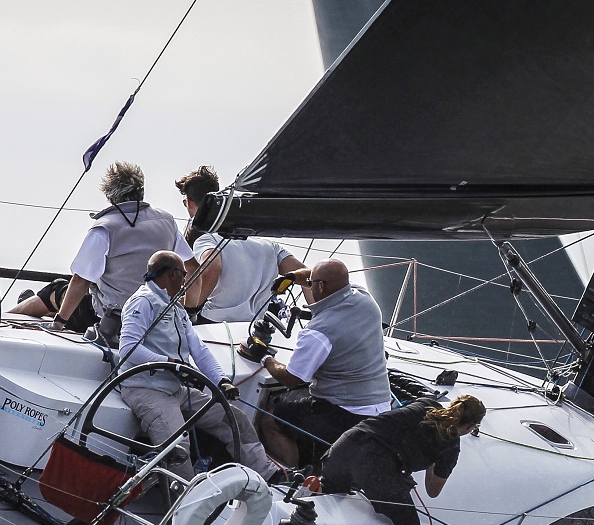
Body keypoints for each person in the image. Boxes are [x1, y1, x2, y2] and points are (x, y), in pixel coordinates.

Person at [116, 251, 280, 493]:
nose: (186, 281)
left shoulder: (177, 309)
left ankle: (270, 477)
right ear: (172, 274)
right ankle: (187, 504)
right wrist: (172, 364)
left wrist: (221, 381)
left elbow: (199, 350)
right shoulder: (143, 301)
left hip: (176, 389)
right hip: (145, 389)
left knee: (234, 418)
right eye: (184, 275)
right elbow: (129, 348)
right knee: (178, 447)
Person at [13, 162, 195, 345]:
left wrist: (59, 324)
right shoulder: (166, 221)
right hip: (156, 318)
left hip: (113, 320)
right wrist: (188, 315)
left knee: (56, 290)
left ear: (110, 195)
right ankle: (28, 303)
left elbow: (80, 281)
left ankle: (4, 314)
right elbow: (193, 267)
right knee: (69, 297)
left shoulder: (105, 228)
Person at [319, 395, 486, 525]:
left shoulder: (425, 403)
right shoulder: (450, 446)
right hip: (375, 463)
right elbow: (432, 491)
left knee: (332, 487)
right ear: (470, 427)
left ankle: (317, 487)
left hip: (348, 442)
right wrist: (434, 459)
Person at [256, 259, 391, 469]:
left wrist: (265, 358)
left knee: (272, 419)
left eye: (312, 282)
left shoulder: (319, 330)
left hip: (348, 413)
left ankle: (289, 475)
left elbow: (293, 379)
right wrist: (291, 277)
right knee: (301, 403)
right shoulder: (364, 298)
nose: (309, 283)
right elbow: (324, 276)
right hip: (381, 406)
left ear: (319, 286)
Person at [175, 165, 308, 323]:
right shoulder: (270, 246)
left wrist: (191, 308)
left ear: (189, 202)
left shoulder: (206, 240)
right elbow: (308, 275)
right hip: (255, 326)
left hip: (215, 323)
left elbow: (212, 268)